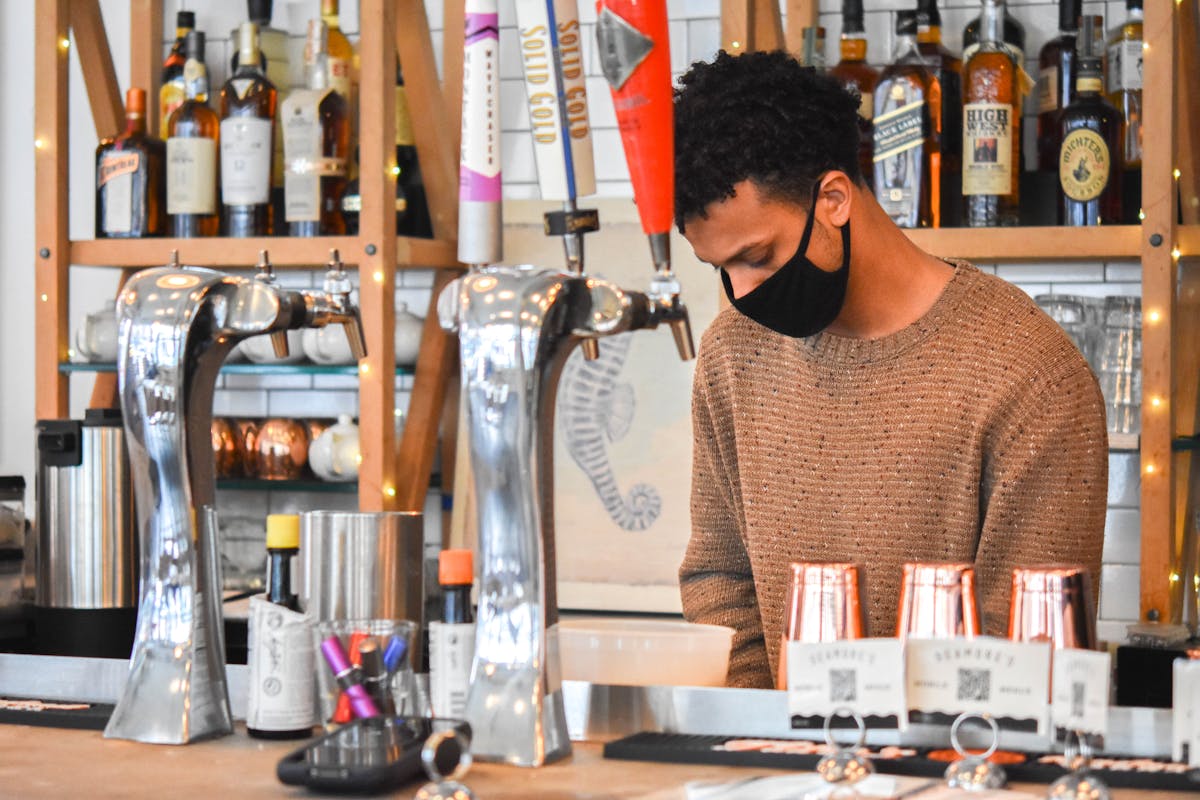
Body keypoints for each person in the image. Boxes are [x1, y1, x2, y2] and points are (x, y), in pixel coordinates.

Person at [674, 50, 1108, 689]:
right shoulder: (731, 356)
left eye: (758, 257)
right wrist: (771, 739)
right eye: (720, 270)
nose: (740, 295)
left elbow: (1027, 650)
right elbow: (721, 583)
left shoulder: (1027, 373)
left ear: (833, 200)